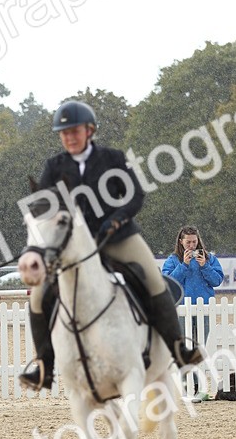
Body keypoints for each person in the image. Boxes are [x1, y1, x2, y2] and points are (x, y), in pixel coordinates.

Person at [19, 101, 206, 391]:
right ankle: (44, 366)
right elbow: (45, 208)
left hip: (117, 238)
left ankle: (178, 349)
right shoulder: (54, 167)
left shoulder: (112, 159)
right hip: (73, 246)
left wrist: (117, 219)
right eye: (63, 133)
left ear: (89, 131)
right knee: (38, 295)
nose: (68, 137)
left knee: (154, 279)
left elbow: (135, 195)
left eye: (74, 131)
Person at [162, 226, 224, 400]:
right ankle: (187, 386)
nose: (191, 245)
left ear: (198, 241)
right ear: (181, 241)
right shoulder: (173, 260)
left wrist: (205, 266)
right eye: (188, 242)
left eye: (194, 242)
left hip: (203, 309)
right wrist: (184, 265)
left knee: (199, 348)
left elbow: (217, 280)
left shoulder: (209, 258)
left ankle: (197, 387)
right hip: (181, 311)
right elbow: (168, 283)